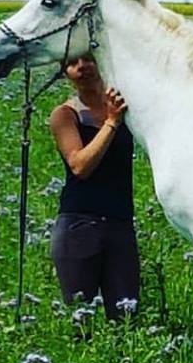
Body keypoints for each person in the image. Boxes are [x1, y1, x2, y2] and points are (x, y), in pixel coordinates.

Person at [48, 54, 140, 320]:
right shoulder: (65, 114)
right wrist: (111, 123)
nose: (81, 67)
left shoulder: (125, 109)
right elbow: (79, 165)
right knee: (80, 320)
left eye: (88, 58)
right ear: (65, 73)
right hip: (79, 227)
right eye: (72, 63)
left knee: (126, 319)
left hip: (120, 225)